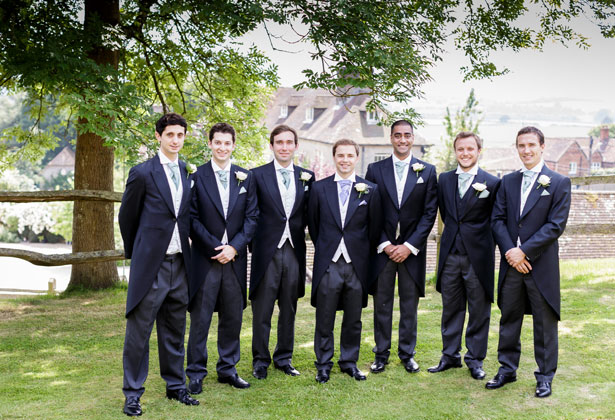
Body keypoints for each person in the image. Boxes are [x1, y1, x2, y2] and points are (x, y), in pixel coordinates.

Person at [118, 112, 199, 417]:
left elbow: (186, 215)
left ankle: (176, 386)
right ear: (158, 137)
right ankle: (133, 394)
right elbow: (127, 217)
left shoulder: (187, 172)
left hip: (180, 265)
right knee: (139, 333)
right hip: (150, 266)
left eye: (180, 135)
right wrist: (138, 253)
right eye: (170, 135)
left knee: (174, 329)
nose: (175, 140)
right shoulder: (142, 173)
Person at [488, 126, 571, 398]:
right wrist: (511, 251)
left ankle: (545, 376)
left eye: (531, 145)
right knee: (509, 318)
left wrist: (524, 252)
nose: (526, 150)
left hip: (540, 266)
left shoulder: (558, 182)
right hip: (512, 264)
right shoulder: (507, 181)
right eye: (521, 145)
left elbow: (555, 226)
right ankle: (507, 369)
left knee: (544, 324)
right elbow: (497, 221)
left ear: (542, 146)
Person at [186, 122, 258, 392]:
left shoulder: (245, 178)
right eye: (218, 142)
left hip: (235, 260)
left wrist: (234, 247)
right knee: (201, 318)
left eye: (227, 143)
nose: (223, 147)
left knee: (232, 317)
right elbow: (191, 218)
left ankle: (227, 368)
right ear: (210, 143)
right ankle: (195, 372)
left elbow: (252, 218)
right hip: (206, 259)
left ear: (233, 145)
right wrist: (216, 247)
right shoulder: (196, 176)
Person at [365, 120, 437, 374]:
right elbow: (370, 211)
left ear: (413, 137)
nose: (402, 140)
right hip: (383, 250)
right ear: (391, 138)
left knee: (409, 305)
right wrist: (385, 244)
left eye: (407, 135)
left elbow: (429, 214)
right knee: (382, 303)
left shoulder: (427, 171)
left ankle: (407, 354)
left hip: (411, 252)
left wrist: (408, 245)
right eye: (398, 136)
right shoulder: (375, 169)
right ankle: (381, 354)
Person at [307, 139, 381, 383]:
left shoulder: (370, 189)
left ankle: (349, 362)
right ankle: (323, 364)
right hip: (328, 262)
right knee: (325, 317)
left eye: (350, 155)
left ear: (357, 158)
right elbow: (315, 226)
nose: (345, 160)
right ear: (334, 157)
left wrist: (358, 252)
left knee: (353, 318)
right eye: (341, 155)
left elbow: (373, 228)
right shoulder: (319, 189)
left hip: (356, 265)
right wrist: (328, 250)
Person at [429, 132, 500, 380]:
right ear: (455, 151)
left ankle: (475, 359)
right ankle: (449, 356)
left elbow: (496, 220)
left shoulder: (491, 182)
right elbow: (447, 214)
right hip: (449, 254)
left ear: (479, 151)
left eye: (470, 149)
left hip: (478, 256)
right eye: (461, 149)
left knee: (479, 310)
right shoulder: (445, 180)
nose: (465, 153)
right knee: (451, 308)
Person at [249, 125, 314, 380]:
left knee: (289, 308)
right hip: (267, 252)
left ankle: (284, 358)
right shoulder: (256, 175)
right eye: (279, 143)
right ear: (272, 146)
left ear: (296, 145)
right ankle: (260, 360)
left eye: (289, 142)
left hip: (294, 251)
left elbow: (311, 215)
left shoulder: (307, 176)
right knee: (262, 310)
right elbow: (251, 214)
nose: (284, 147)